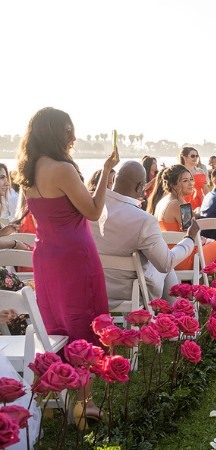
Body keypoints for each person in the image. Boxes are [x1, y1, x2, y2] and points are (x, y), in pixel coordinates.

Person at [16, 107, 118, 424]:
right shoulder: (62, 168)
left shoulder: (29, 171)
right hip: (75, 256)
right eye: (67, 131)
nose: (72, 137)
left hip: (46, 256)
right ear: (53, 132)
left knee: (57, 323)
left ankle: (56, 390)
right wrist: (105, 173)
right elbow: (92, 210)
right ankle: (85, 403)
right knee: (83, 322)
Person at [92, 162, 197, 305]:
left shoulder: (91, 208)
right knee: (166, 267)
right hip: (133, 291)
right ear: (140, 187)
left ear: (115, 179)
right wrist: (190, 238)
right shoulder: (143, 220)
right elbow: (166, 263)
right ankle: (174, 318)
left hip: (96, 288)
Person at [150, 165, 216, 275]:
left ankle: (201, 284)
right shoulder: (182, 206)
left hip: (166, 256)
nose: (191, 183)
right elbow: (192, 237)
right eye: (185, 181)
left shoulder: (161, 203)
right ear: (173, 185)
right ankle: (214, 288)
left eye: (191, 179)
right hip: (182, 258)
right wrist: (206, 241)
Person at [179, 146, 209, 211]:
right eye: (192, 156)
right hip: (184, 206)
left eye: (196, 156)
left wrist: (211, 203)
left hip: (200, 206)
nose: (195, 158)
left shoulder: (201, 171)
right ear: (184, 157)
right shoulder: (179, 172)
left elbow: (205, 190)